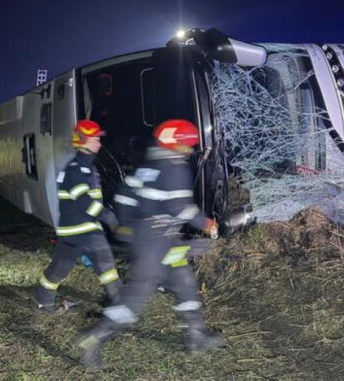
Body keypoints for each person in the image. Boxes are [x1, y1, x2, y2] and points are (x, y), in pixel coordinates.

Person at [74, 119, 222, 372]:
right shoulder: (173, 167)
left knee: (183, 282)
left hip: (157, 240)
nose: (189, 151)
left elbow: (122, 198)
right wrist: (207, 223)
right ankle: (93, 339)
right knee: (136, 297)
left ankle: (196, 337)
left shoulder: (147, 167)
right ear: (176, 144)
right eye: (187, 146)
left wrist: (130, 229)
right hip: (156, 243)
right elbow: (180, 208)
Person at [34, 119, 122, 312]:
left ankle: (43, 299)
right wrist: (110, 218)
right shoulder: (77, 170)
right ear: (83, 142)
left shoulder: (82, 167)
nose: (99, 143)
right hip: (84, 228)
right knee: (105, 262)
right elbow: (86, 204)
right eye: (94, 140)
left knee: (61, 265)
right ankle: (119, 304)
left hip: (70, 230)